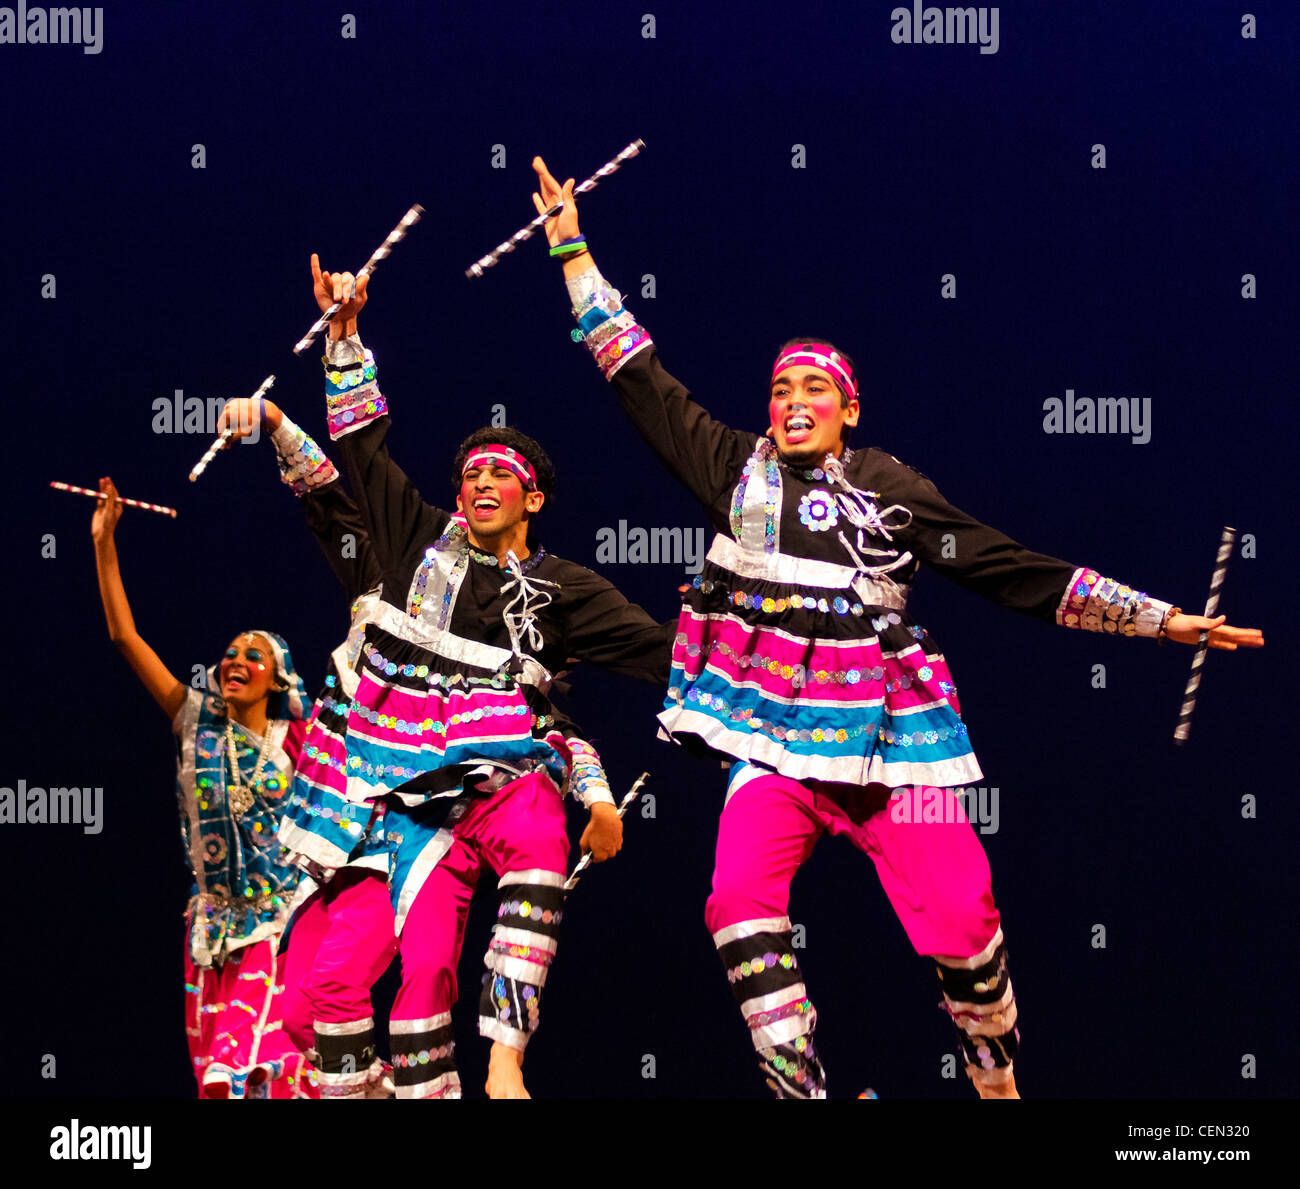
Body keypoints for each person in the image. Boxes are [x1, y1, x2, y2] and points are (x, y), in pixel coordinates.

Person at [527, 156, 1265, 1100]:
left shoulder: (891, 489)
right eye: (781, 390)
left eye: (815, 392)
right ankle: (805, 1092)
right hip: (775, 746)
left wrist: (1162, 622)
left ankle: (995, 1077)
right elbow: (642, 379)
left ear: (849, 410)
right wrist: (571, 248)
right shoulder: (734, 474)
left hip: (893, 748)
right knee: (736, 906)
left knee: (962, 919)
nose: (793, 403)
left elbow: (1008, 567)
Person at [306, 254, 674, 1098]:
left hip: (506, 777)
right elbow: (363, 447)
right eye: (468, 471)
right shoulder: (416, 539)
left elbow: (660, 651)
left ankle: (507, 1052)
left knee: (541, 843)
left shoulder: (565, 588)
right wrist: (344, 333)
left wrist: (742, 620)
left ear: (534, 497)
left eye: (498, 472)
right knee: (408, 975)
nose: (478, 480)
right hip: (410, 797)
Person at [92, 477, 318, 1099]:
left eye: (254, 656)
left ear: (277, 680)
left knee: (238, 1069)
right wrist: (104, 544)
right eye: (230, 653)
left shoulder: (300, 745)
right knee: (214, 1080)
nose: (236, 661)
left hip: (275, 930)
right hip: (207, 936)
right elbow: (124, 637)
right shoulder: (196, 724)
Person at [217, 395, 398, 1099]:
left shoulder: (481, 620)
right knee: (297, 1013)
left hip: (401, 838)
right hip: (328, 838)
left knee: (333, 985)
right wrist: (273, 422)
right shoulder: (386, 585)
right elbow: (330, 505)